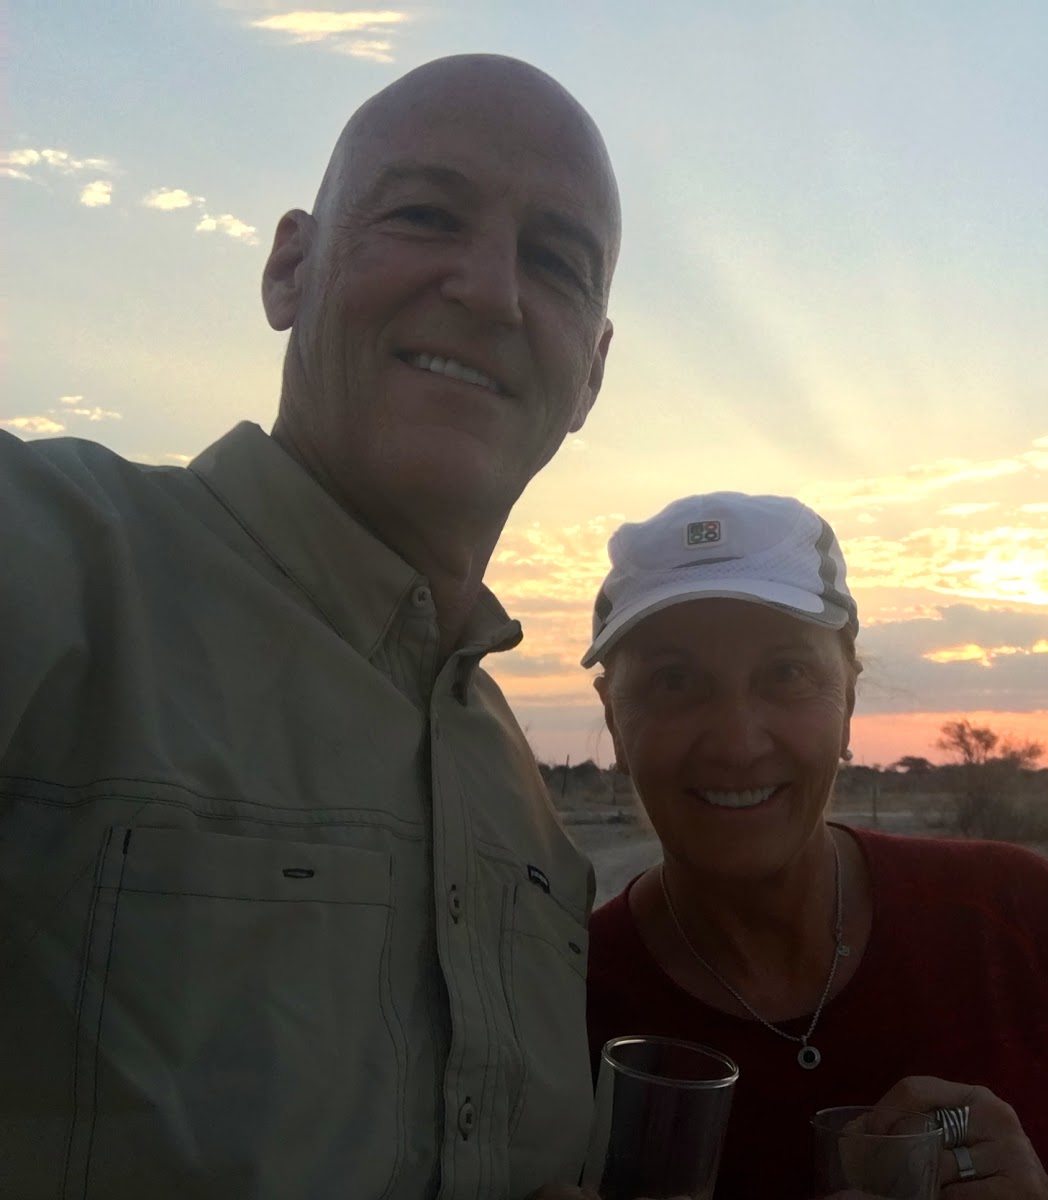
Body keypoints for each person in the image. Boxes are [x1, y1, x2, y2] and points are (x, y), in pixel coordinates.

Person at [0, 54, 620, 1198]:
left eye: (556, 261)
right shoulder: (56, 558)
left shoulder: (528, 813)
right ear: (291, 267)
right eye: (426, 215)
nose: (491, 290)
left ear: (591, 373)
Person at [582, 492, 1048, 1199]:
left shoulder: (1014, 915)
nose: (737, 742)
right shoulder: (557, 1001)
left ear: (849, 701)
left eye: (786, 673)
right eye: (673, 681)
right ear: (613, 718)